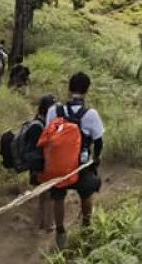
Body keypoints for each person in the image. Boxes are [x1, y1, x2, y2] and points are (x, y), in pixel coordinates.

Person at [44, 72, 104, 249]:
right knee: (86, 193)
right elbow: (99, 141)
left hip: (57, 165)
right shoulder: (91, 114)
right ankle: (86, 226)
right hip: (80, 166)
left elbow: (47, 134)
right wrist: (95, 160)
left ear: (69, 88)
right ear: (87, 90)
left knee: (58, 197)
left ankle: (60, 232)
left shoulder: (54, 110)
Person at [29, 94, 58, 230]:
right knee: (49, 195)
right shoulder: (39, 127)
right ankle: (48, 223)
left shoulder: (37, 123)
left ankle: (42, 222)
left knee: (43, 195)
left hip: (37, 166)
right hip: (41, 166)